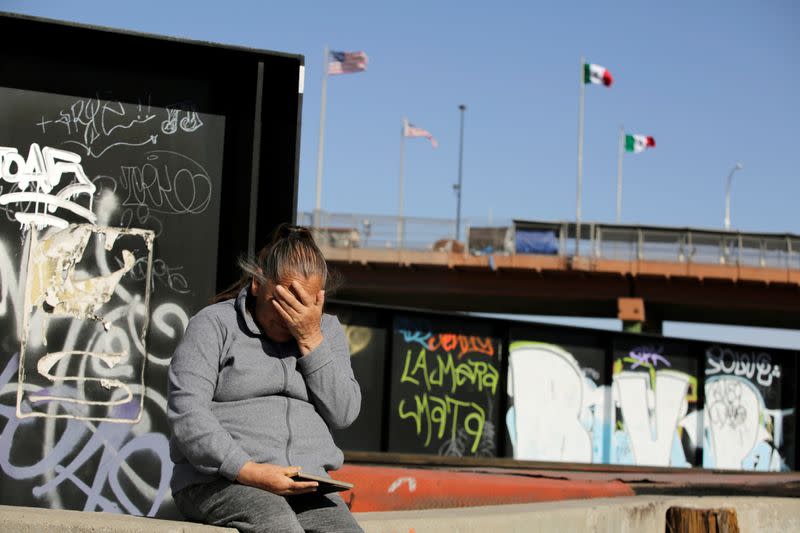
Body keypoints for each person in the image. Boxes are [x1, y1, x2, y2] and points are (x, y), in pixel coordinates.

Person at [167, 224, 363, 533]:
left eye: (301, 306)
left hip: (305, 486)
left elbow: (344, 412)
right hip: (220, 480)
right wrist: (247, 470)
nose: (290, 317)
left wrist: (311, 339)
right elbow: (188, 413)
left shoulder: (326, 331)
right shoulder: (213, 324)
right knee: (276, 522)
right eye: (282, 301)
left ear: (318, 300)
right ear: (258, 283)